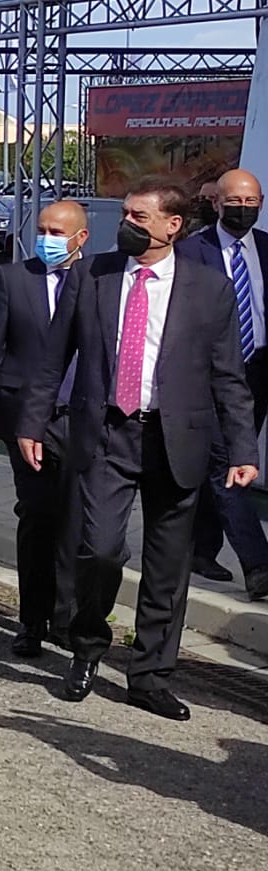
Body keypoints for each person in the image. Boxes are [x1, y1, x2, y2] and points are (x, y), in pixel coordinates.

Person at [21, 180, 258, 720]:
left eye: (139, 216)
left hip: (177, 438)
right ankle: (87, 646)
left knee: (168, 567)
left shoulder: (209, 289)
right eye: (125, 214)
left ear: (173, 226)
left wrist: (243, 448)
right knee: (99, 549)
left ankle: (149, 674)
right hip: (107, 432)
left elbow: (229, 377)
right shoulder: (93, 274)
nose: (126, 223)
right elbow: (54, 357)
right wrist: (33, 423)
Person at [0, 199, 89, 654]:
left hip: (78, 419)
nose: (47, 239)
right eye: (42, 229)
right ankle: (32, 621)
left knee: (75, 521)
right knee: (37, 515)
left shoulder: (97, 282)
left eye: (58, 231)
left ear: (81, 238)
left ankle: (66, 617)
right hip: (23, 417)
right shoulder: (15, 279)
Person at [178, 168, 268, 600]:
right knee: (228, 462)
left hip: (259, 369)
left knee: (233, 460)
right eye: (235, 202)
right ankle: (259, 565)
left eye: (252, 203)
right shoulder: (194, 252)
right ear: (217, 202)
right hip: (212, 373)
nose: (244, 210)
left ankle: (200, 548)